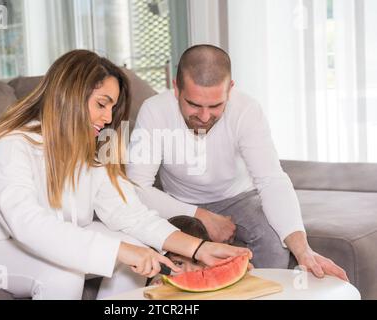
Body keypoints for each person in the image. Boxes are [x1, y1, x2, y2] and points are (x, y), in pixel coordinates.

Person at [0, 49, 252, 300]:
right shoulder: (12, 145)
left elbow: (129, 214)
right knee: (65, 271)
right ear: (69, 95)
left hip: (55, 237)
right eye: (101, 104)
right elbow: (30, 226)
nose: (108, 118)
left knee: (135, 250)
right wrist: (118, 250)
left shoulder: (92, 149)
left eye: (112, 108)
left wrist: (199, 247)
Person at [126, 44, 348, 281]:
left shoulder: (246, 110)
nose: (204, 117)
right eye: (193, 104)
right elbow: (136, 187)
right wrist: (200, 214)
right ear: (176, 87)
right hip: (179, 200)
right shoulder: (154, 111)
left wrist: (303, 251)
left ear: (230, 89)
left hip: (238, 198)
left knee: (274, 248)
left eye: (215, 106)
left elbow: (271, 179)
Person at [147, 215, 253, 286]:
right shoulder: (161, 276)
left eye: (196, 262)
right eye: (178, 263)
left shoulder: (210, 270)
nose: (188, 270)